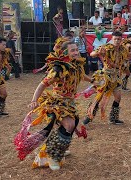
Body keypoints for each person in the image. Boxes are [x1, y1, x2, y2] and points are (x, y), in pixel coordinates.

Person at [23, 41, 92, 170]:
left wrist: (92, 80)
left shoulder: (77, 65)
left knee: (71, 126)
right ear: (65, 52)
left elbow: (81, 76)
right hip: (57, 102)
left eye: (77, 50)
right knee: (69, 125)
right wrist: (34, 100)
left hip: (69, 102)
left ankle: (59, 148)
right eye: (72, 50)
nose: (76, 52)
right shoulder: (58, 69)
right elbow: (43, 84)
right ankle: (51, 155)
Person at [82, 31, 131, 125]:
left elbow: (130, 54)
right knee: (99, 97)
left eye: (119, 39)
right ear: (112, 39)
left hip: (116, 76)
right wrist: (97, 52)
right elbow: (92, 54)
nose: (117, 41)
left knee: (118, 97)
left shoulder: (123, 49)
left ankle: (113, 118)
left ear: (121, 39)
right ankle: (89, 116)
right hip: (105, 75)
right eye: (115, 39)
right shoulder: (107, 47)